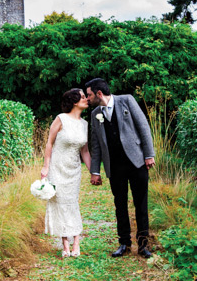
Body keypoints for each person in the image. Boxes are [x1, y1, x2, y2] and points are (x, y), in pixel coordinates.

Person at [85, 78, 155, 258]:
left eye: (89, 95)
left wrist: (149, 155)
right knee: (120, 205)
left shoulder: (127, 100)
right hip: (115, 166)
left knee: (141, 203)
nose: (87, 98)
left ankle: (143, 245)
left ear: (99, 94)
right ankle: (124, 243)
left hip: (137, 161)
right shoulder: (95, 114)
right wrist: (95, 171)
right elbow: (96, 144)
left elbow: (143, 127)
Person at [41, 88, 91, 258]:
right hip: (57, 167)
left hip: (74, 169)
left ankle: (76, 241)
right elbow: (49, 143)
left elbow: (84, 151)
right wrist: (46, 167)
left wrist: (94, 172)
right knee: (61, 202)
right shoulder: (61, 119)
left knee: (72, 202)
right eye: (83, 97)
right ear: (75, 101)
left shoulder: (85, 124)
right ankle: (65, 244)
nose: (86, 99)